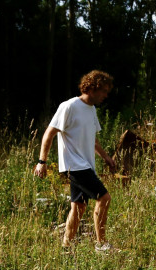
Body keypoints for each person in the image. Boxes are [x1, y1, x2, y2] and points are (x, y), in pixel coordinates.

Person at [34, 70, 117, 250]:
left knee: (78, 208)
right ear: (93, 88)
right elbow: (49, 132)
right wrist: (42, 161)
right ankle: (101, 244)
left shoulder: (91, 109)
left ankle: (66, 247)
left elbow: (93, 139)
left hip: (85, 165)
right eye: (103, 91)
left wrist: (106, 157)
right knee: (104, 198)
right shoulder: (69, 106)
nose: (105, 95)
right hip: (75, 166)